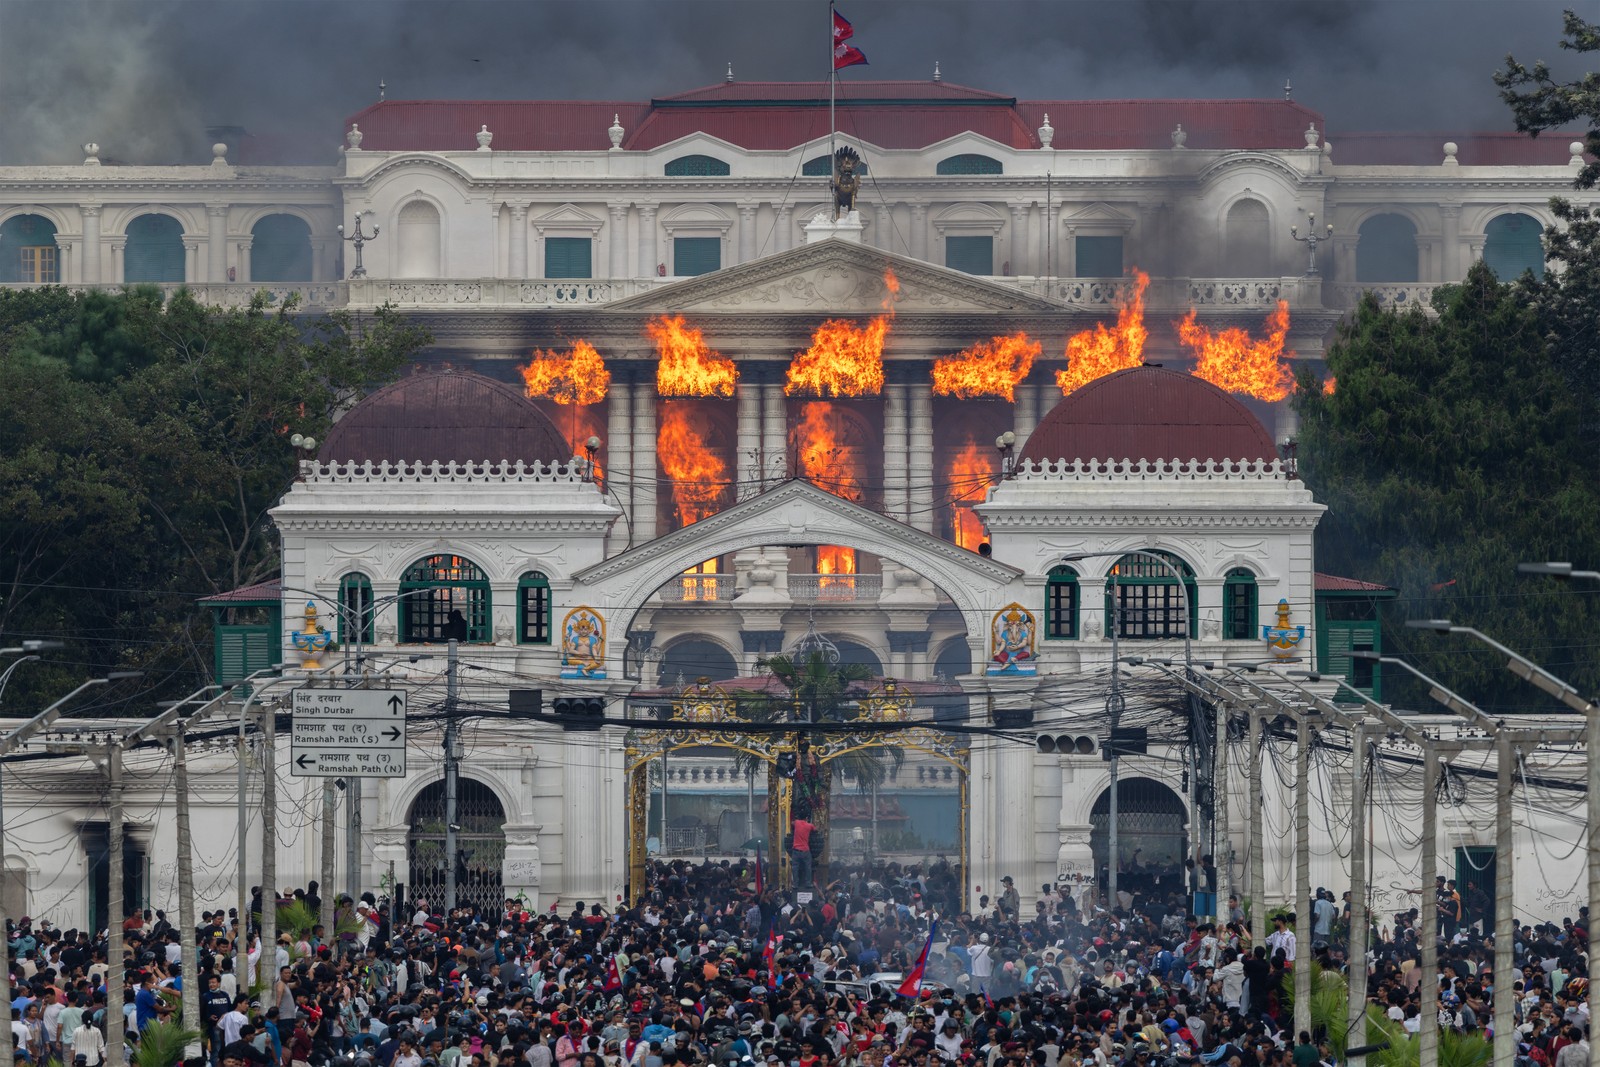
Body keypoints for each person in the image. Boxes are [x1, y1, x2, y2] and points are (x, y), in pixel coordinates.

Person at [791, 810, 816, 890]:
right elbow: (815, 829)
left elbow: (792, 823)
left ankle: (795, 884)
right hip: (805, 850)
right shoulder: (809, 825)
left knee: (795, 868)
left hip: (796, 850)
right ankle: (808, 883)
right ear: (806, 817)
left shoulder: (796, 823)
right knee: (808, 867)